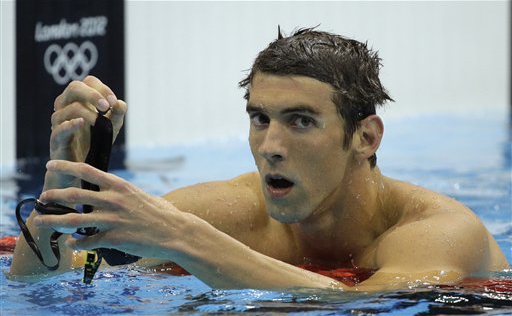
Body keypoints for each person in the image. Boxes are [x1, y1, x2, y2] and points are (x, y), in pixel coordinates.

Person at [10, 28, 509, 291]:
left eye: (301, 121)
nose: (270, 144)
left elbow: (368, 309)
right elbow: (51, 283)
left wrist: (187, 241)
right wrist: (59, 200)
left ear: (365, 137)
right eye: (260, 118)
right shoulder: (227, 213)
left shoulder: (440, 233)